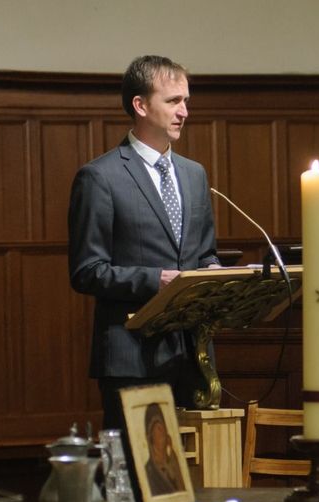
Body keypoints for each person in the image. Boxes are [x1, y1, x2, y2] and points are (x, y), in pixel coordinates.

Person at [68, 55, 220, 433]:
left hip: (192, 354)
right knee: (141, 481)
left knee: (194, 480)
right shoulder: (100, 177)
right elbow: (87, 271)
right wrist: (158, 281)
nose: (184, 111)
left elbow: (205, 253)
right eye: (173, 101)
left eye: (186, 101)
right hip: (131, 356)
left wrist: (217, 274)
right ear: (140, 105)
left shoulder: (194, 174)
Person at [142, 402, 186, 496]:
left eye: (163, 428)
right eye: (158, 428)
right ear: (150, 437)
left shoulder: (173, 464)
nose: (163, 433)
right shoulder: (148, 471)